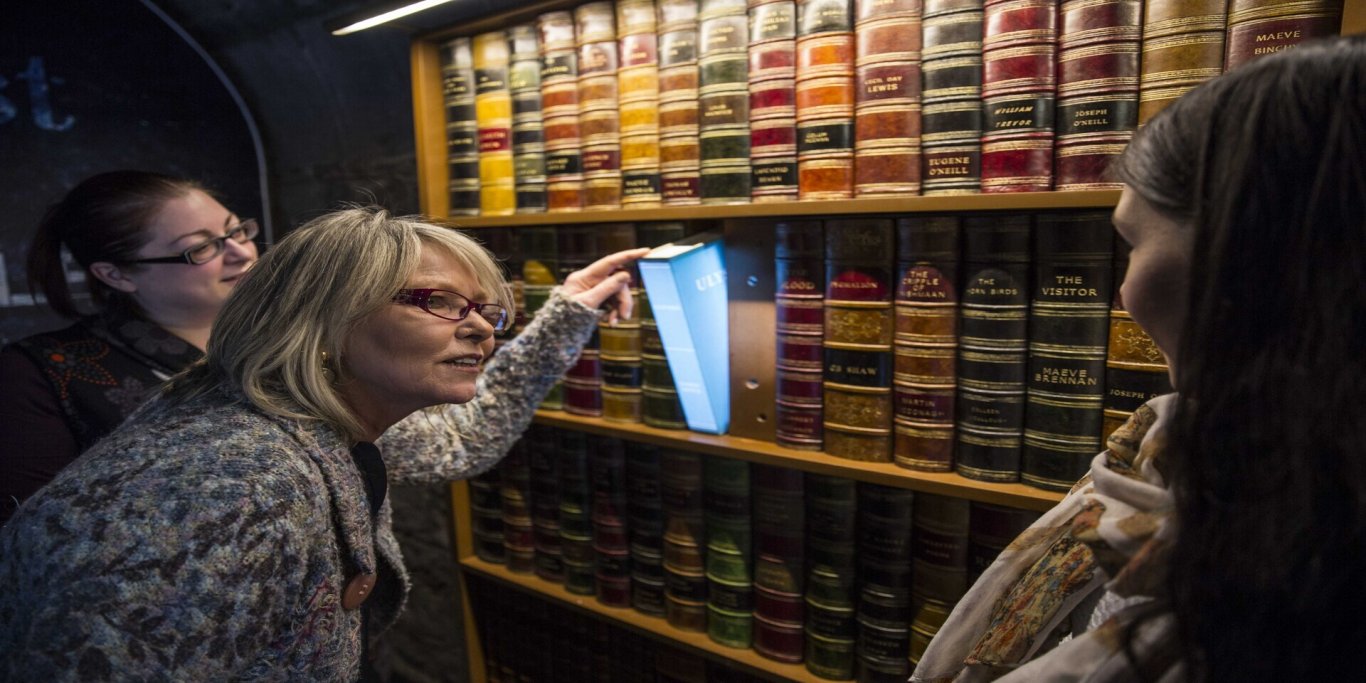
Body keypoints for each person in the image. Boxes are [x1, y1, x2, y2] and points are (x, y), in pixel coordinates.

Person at [0, 206, 647, 679]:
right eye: (444, 302)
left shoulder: (299, 409)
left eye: (487, 310)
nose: (482, 330)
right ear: (323, 320)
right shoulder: (225, 487)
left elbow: (458, 438)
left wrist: (568, 310)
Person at [914, 36, 1366, 682]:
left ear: (1244, 257)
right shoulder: (1166, 458)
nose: (1122, 293)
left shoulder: (1295, 600)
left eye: (1131, 243)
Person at [0, 171, 258, 522]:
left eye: (236, 230)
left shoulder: (290, 334)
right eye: (200, 248)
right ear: (116, 275)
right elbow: (36, 532)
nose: (240, 252)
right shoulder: (39, 372)